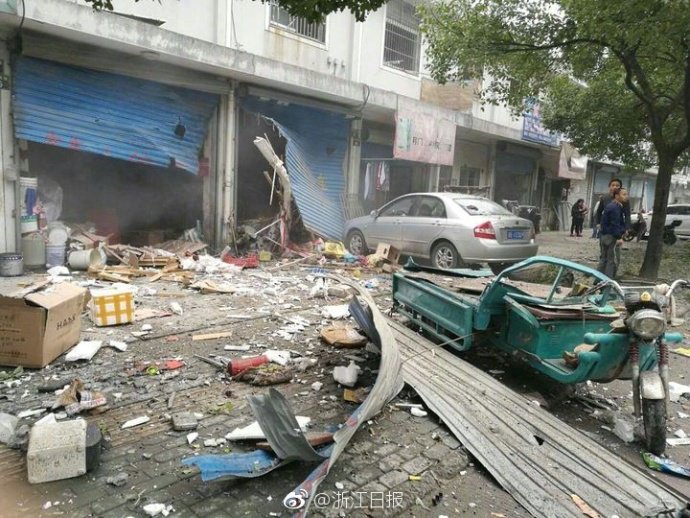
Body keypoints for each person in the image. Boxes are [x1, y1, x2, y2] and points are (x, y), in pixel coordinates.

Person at [598, 187, 629, 278]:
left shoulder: (611, 206)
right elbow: (614, 224)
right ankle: (608, 280)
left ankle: (598, 279)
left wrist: (623, 230)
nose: (626, 196)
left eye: (626, 194)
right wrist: (619, 237)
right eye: (624, 194)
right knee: (612, 260)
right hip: (611, 237)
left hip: (604, 235)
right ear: (616, 196)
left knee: (604, 259)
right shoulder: (615, 208)